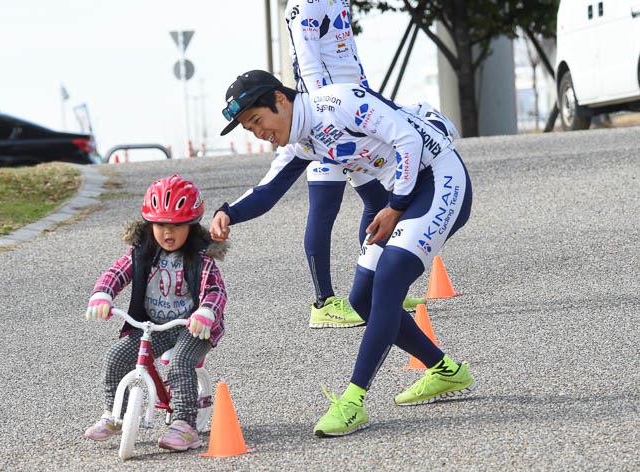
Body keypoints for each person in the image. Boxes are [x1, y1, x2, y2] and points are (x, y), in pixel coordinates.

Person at [211, 70, 474, 437]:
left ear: (280, 100)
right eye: (249, 129)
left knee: (389, 277)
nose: (259, 133)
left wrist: (395, 206)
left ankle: (352, 401)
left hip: (440, 179)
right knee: (362, 300)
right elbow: (267, 191)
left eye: (257, 120)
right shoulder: (301, 141)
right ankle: (446, 372)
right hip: (403, 196)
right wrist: (228, 213)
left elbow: (409, 140)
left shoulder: (337, 103)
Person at [271, 0, 424, 328]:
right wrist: (323, 118)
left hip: (352, 114)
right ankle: (323, 303)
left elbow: (346, 57)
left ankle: (377, 288)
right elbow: (309, 64)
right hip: (325, 122)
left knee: (378, 202)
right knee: (324, 208)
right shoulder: (305, 4)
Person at [84, 174, 227, 451]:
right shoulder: (141, 252)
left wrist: (206, 313)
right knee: (116, 356)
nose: (167, 233)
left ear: (192, 226)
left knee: (181, 362)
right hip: (152, 324)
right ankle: (115, 414)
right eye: (160, 225)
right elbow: (117, 273)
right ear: (150, 224)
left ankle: (185, 424)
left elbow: (215, 291)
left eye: (177, 226)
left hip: (193, 326)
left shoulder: (201, 257)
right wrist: (102, 294)